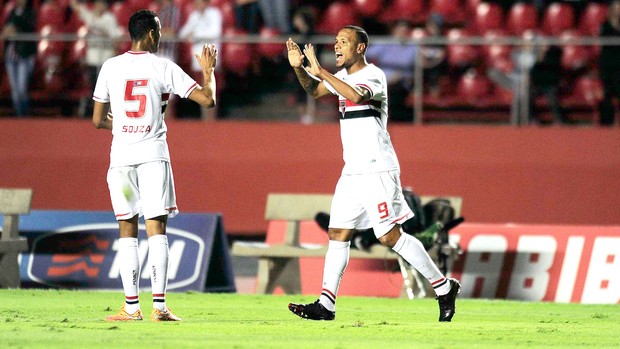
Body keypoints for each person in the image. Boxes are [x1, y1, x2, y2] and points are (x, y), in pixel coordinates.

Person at [285, 25, 460, 322]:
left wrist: (320, 70)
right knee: (338, 233)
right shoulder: (341, 76)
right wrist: (301, 69)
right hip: (352, 170)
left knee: (390, 236)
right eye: (336, 41)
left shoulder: (373, 76)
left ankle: (443, 287)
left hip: (377, 167)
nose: (337, 46)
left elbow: (355, 95)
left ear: (360, 48)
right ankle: (326, 304)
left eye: (344, 42)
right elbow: (315, 90)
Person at [91, 9, 217, 322]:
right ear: (149, 34)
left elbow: (96, 120)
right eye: (158, 32)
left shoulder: (110, 66)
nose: (160, 37)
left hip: (121, 159)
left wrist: (121, 127)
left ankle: (131, 308)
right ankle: (159, 306)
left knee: (126, 229)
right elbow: (207, 100)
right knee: (157, 229)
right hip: (152, 156)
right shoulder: (162, 67)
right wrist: (208, 71)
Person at [488, 31, 567, 125]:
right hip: (518, 81)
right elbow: (515, 67)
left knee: (526, 93)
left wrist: (541, 52)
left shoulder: (547, 54)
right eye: (526, 42)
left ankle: (557, 120)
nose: (529, 44)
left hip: (540, 84)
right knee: (494, 73)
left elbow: (542, 70)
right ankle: (529, 120)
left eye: (531, 42)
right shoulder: (517, 53)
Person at [70, 0, 122, 118]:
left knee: (107, 88)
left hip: (106, 58)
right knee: (94, 86)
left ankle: (108, 113)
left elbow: (116, 40)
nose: (97, 6)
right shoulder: (90, 17)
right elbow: (75, 6)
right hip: (92, 57)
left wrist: (115, 59)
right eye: (96, 4)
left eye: (100, 4)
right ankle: (95, 113)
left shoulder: (109, 19)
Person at [365, 20, 416, 122]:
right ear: (394, 31)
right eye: (400, 30)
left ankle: (393, 121)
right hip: (383, 81)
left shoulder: (413, 47)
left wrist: (399, 76)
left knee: (395, 92)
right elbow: (365, 54)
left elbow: (414, 65)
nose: (403, 33)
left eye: (405, 31)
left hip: (402, 83)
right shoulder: (385, 44)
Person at [178, 0, 222, 120]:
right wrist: (194, 35)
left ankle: (211, 119)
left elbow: (215, 33)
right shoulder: (194, 16)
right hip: (198, 58)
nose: (197, 5)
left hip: (211, 56)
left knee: (211, 90)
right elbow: (182, 34)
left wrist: (195, 34)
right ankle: (205, 119)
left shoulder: (215, 14)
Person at [1, 0, 37, 116]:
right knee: (15, 91)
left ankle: (24, 114)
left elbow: (30, 27)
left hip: (24, 55)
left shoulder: (30, 12)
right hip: (11, 56)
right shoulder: (12, 11)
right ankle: (19, 115)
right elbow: (6, 27)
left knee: (21, 89)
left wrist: (15, 29)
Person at [598, 0, 620, 126]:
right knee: (607, 95)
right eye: (617, 8)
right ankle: (606, 123)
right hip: (608, 65)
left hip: (619, 66)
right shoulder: (605, 25)